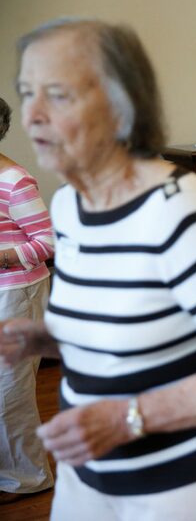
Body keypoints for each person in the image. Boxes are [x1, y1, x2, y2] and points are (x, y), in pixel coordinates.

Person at [4, 18, 196, 520]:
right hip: (92, 464)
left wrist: (127, 417)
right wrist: (44, 339)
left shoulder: (175, 207)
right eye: (27, 93)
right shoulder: (73, 203)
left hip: (182, 480)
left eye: (55, 94)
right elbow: (121, 319)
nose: (32, 116)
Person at [0, 96, 55, 504]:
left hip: (19, 293)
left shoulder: (15, 180)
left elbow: (48, 242)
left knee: (10, 392)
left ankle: (29, 479)